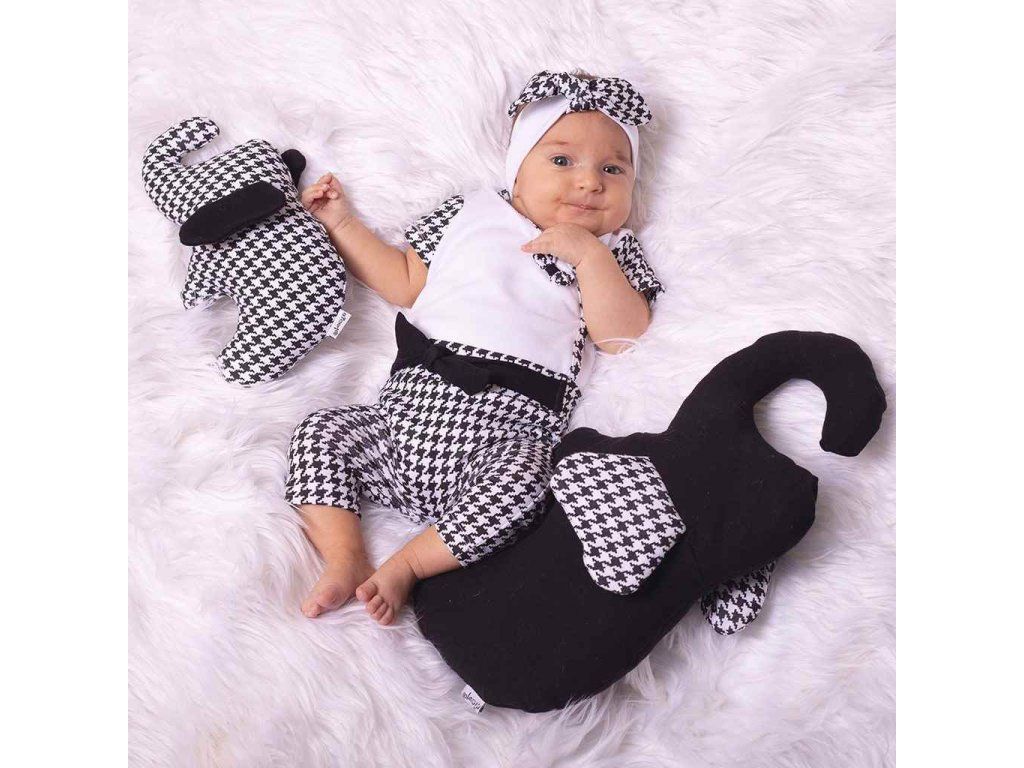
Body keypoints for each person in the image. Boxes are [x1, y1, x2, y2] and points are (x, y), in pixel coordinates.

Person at [286, 69, 664, 625]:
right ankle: (345, 557)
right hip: (403, 418)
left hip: (505, 435)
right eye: (562, 160)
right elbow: (404, 282)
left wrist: (589, 259)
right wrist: (341, 225)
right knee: (320, 432)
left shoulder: (612, 251)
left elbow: (621, 335)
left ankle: (410, 563)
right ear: (518, 171)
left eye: (614, 169)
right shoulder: (468, 213)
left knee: (529, 484)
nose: (589, 182)